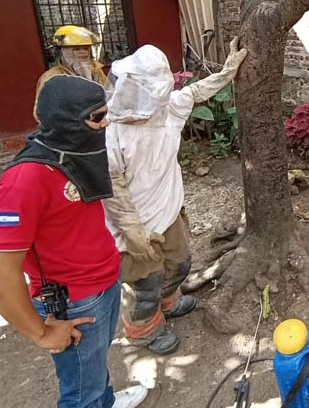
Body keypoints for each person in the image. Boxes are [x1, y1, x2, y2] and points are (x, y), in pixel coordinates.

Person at [0, 75, 146, 408]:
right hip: (74, 301)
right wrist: (41, 333)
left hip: (103, 281)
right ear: (67, 121)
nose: (107, 122)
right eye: (97, 116)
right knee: (80, 393)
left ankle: (107, 400)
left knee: (94, 366)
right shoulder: (23, 182)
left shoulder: (75, 152)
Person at [101, 39, 247, 355]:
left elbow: (194, 92)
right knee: (146, 283)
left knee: (180, 264)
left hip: (168, 211)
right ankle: (142, 331)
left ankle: (168, 303)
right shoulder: (111, 133)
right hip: (134, 225)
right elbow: (113, 189)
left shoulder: (165, 110)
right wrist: (133, 231)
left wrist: (227, 73)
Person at [34, 25, 107, 121]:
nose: (83, 52)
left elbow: (110, 95)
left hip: (99, 125)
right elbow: (41, 112)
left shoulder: (96, 70)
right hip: (69, 131)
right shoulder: (52, 77)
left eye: (86, 48)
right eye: (76, 49)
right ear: (63, 51)